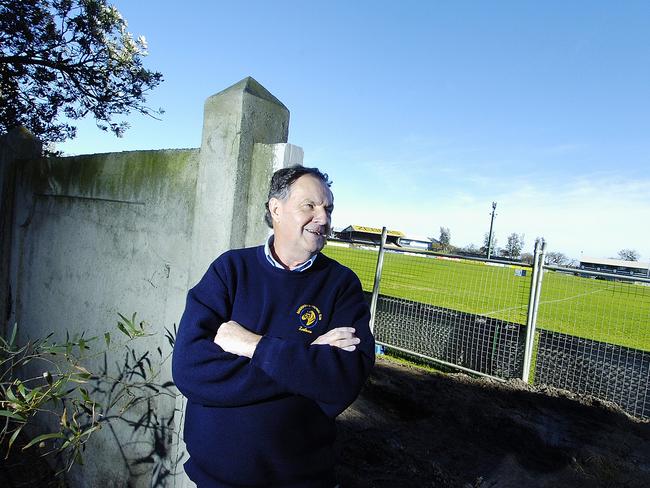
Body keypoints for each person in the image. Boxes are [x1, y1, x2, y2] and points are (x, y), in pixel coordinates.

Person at [172, 166, 375, 487]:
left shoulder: (341, 285)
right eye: (309, 205)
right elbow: (191, 371)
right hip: (215, 478)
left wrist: (253, 346)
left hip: (301, 478)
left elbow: (343, 381)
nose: (323, 218)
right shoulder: (230, 270)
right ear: (276, 209)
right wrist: (307, 357)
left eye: (328, 208)